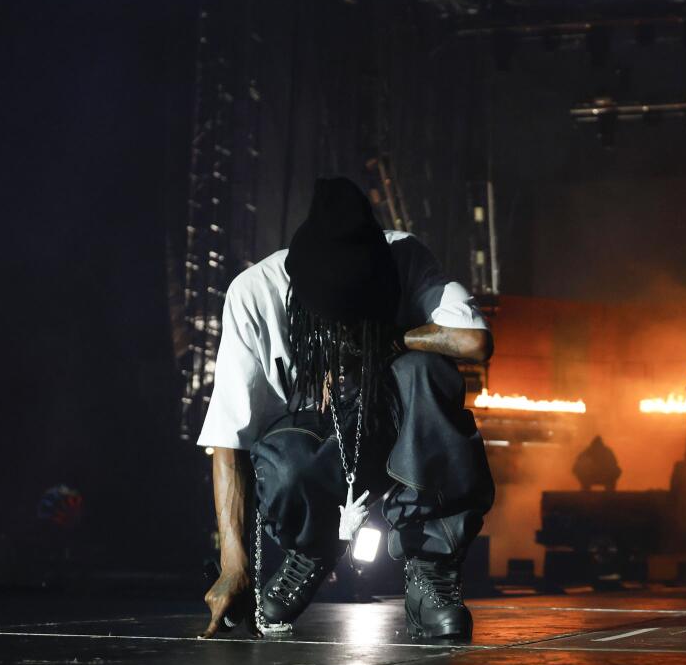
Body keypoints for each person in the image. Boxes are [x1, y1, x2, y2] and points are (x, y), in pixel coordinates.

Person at [198, 178, 495, 641]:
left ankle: (429, 571)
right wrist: (233, 567)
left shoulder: (401, 257)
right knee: (283, 460)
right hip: (319, 450)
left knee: (427, 372)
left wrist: (390, 341)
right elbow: (227, 439)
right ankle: (313, 550)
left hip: (396, 436)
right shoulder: (255, 294)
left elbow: (474, 341)